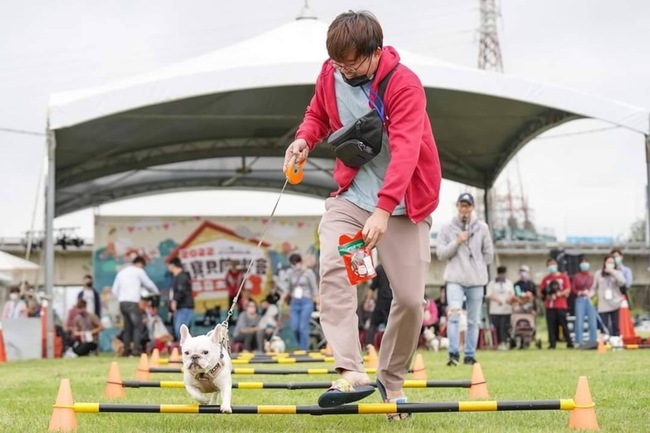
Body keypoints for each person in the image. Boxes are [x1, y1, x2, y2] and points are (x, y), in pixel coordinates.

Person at [282, 10, 441, 414]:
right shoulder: (330, 74)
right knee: (337, 268)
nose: (345, 70)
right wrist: (304, 140)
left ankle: (391, 380)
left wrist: (385, 210)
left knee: (409, 300)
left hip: (403, 206)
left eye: (352, 63)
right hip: (352, 199)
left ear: (375, 52)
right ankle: (351, 370)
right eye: (338, 63)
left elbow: (406, 150)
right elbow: (317, 115)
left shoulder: (404, 84)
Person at [436, 192, 494, 366]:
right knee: (454, 314)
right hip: (455, 278)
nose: (464, 209)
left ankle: (470, 355)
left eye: (467, 205)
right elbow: (440, 253)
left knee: (473, 320)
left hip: (476, 280)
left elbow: (489, 254)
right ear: (457, 206)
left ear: (472, 207)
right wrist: (457, 242)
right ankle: (453, 354)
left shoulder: (482, 228)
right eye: (461, 205)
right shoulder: (447, 228)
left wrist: (478, 264)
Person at [111, 256, 159, 357]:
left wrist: (121, 297)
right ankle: (136, 351)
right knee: (138, 326)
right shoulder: (138, 271)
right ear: (140, 264)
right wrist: (156, 292)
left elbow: (114, 290)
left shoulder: (121, 272)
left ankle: (126, 350)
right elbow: (148, 283)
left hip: (122, 303)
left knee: (127, 328)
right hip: (133, 302)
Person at [283, 253, 318, 351]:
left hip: (306, 302)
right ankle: (301, 345)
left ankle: (304, 349)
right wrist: (283, 297)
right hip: (294, 302)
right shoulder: (291, 273)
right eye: (293, 263)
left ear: (301, 262)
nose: (295, 265)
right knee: (295, 327)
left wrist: (318, 301)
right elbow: (288, 288)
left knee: (303, 327)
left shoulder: (308, 272)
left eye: (297, 262)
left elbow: (314, 288)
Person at [539, 258, 574, 349]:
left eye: (553, 264)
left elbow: (568, 289)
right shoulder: (546, 279)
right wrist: (547, 296)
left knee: (564, 324)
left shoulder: (563, 277)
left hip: (561, 305)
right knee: (551, 325)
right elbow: (541, 291)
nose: (552, 266)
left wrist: (559, 294)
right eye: (549, 265)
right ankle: (552, 343)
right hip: (549, 306)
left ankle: (569, 342)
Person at [591, 255, 626, 337]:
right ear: (604, 263)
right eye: (608, 262)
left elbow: (622, 282)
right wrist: (589, 295)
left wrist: (613, 272)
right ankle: (604, 343)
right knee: (604, 326)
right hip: (603, 304)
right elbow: (594, 288)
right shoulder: (598, 274)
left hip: (615, 303)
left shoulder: (617, 273)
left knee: (616, 326)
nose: (610, 264)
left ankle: (616, 342)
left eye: (612, 262)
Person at [485, 266, 515, 351]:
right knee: (497, 327)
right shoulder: (492, 283)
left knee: (504, 327)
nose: (502, 275)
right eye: (501, 274)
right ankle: (497, 342)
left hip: (506, 309)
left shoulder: (509, 283)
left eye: (503, 274)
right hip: (495, 310)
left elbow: (512, 294)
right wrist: (497, 300)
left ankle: (504, 342)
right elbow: (488, 294)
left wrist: (509, 299)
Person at [364, 263, 393, 347]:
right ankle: (391, 346)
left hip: (381, 302)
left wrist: (367, 301)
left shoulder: (380, 268)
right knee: (392, 325)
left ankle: (369, 345)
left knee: (373, 324)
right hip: (393, 302)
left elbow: (372, 287)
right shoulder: (397, 267)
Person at [570, 258, 597, 347]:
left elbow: (595, 287)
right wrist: (580, 292)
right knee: (579, 321)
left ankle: (593, 341)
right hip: (580, 299)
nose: (584, 265)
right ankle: (579, 342)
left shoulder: (592, 276)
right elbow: (573, 289)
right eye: (583, 263)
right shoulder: (576, 276)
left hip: (590, 299)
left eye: (586, 263)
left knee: (592, 321)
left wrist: (591, 293)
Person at [168, 257, 195, 341]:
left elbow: (181, 290)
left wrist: (175, 301)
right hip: (181, 308)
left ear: (173, 265)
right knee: (180, 330)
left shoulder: (182, 277)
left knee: (181, 330)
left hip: (185, 307)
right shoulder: (177, 277)